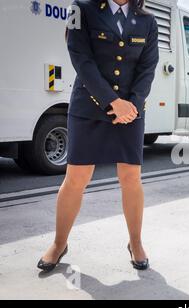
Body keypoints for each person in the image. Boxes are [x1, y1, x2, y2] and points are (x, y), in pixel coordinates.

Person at [37, 0, 159, 272]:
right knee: (76, 178)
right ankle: (59, 243)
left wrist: (133, 105)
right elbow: (80, 57)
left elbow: (148, 68)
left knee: (131, 177)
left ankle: (135, 242)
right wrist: (111, 101)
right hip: (88, 106)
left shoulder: (148, 21)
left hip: (130, 110)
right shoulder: (81, 8)